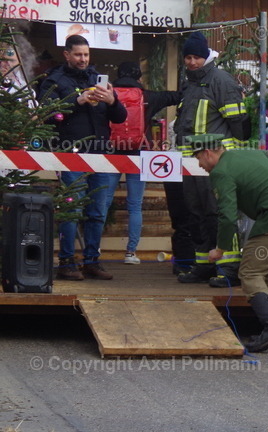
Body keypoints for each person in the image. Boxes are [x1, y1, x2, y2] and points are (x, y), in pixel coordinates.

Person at [191, 134, 268, 352]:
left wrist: (220, 249)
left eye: (198, 159)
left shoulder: (221, 172)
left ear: (208, 153)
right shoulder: (251, 152)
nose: (200, 165)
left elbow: (227, 215)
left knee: (250, 272)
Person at [39, 35, 127, 281]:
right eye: (78, 55)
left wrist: (112, 101)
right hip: (71, 156)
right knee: (72, 209)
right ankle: (67, 262)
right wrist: (77, 102)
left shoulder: (97, 80)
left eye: (86, 55)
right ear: (66, 54)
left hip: (101, 154)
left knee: (98, 211)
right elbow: (47, 115)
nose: (83, 59)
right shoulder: (54, 82)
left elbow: (120, 118)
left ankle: (91, 261)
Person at [173, 31, 247, 288]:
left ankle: (229, 267)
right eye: (188, 57)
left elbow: (238, 123)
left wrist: (233, 158)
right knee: (197, 215)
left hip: (217, 161)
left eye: (196, 57)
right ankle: (203, 264)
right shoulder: (190, 84)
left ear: (206, 57)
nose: (192, 62)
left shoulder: (222, 81)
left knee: (220, 213)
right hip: (191, 162)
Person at [111, 61, 181, 265]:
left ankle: (94, 251)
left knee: (103, 203)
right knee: (135, 205)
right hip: (140, 152)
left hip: (110, 153)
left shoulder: (108, 94)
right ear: (139, 79)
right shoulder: (149, 96)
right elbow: (176, 96)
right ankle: (130, 253)